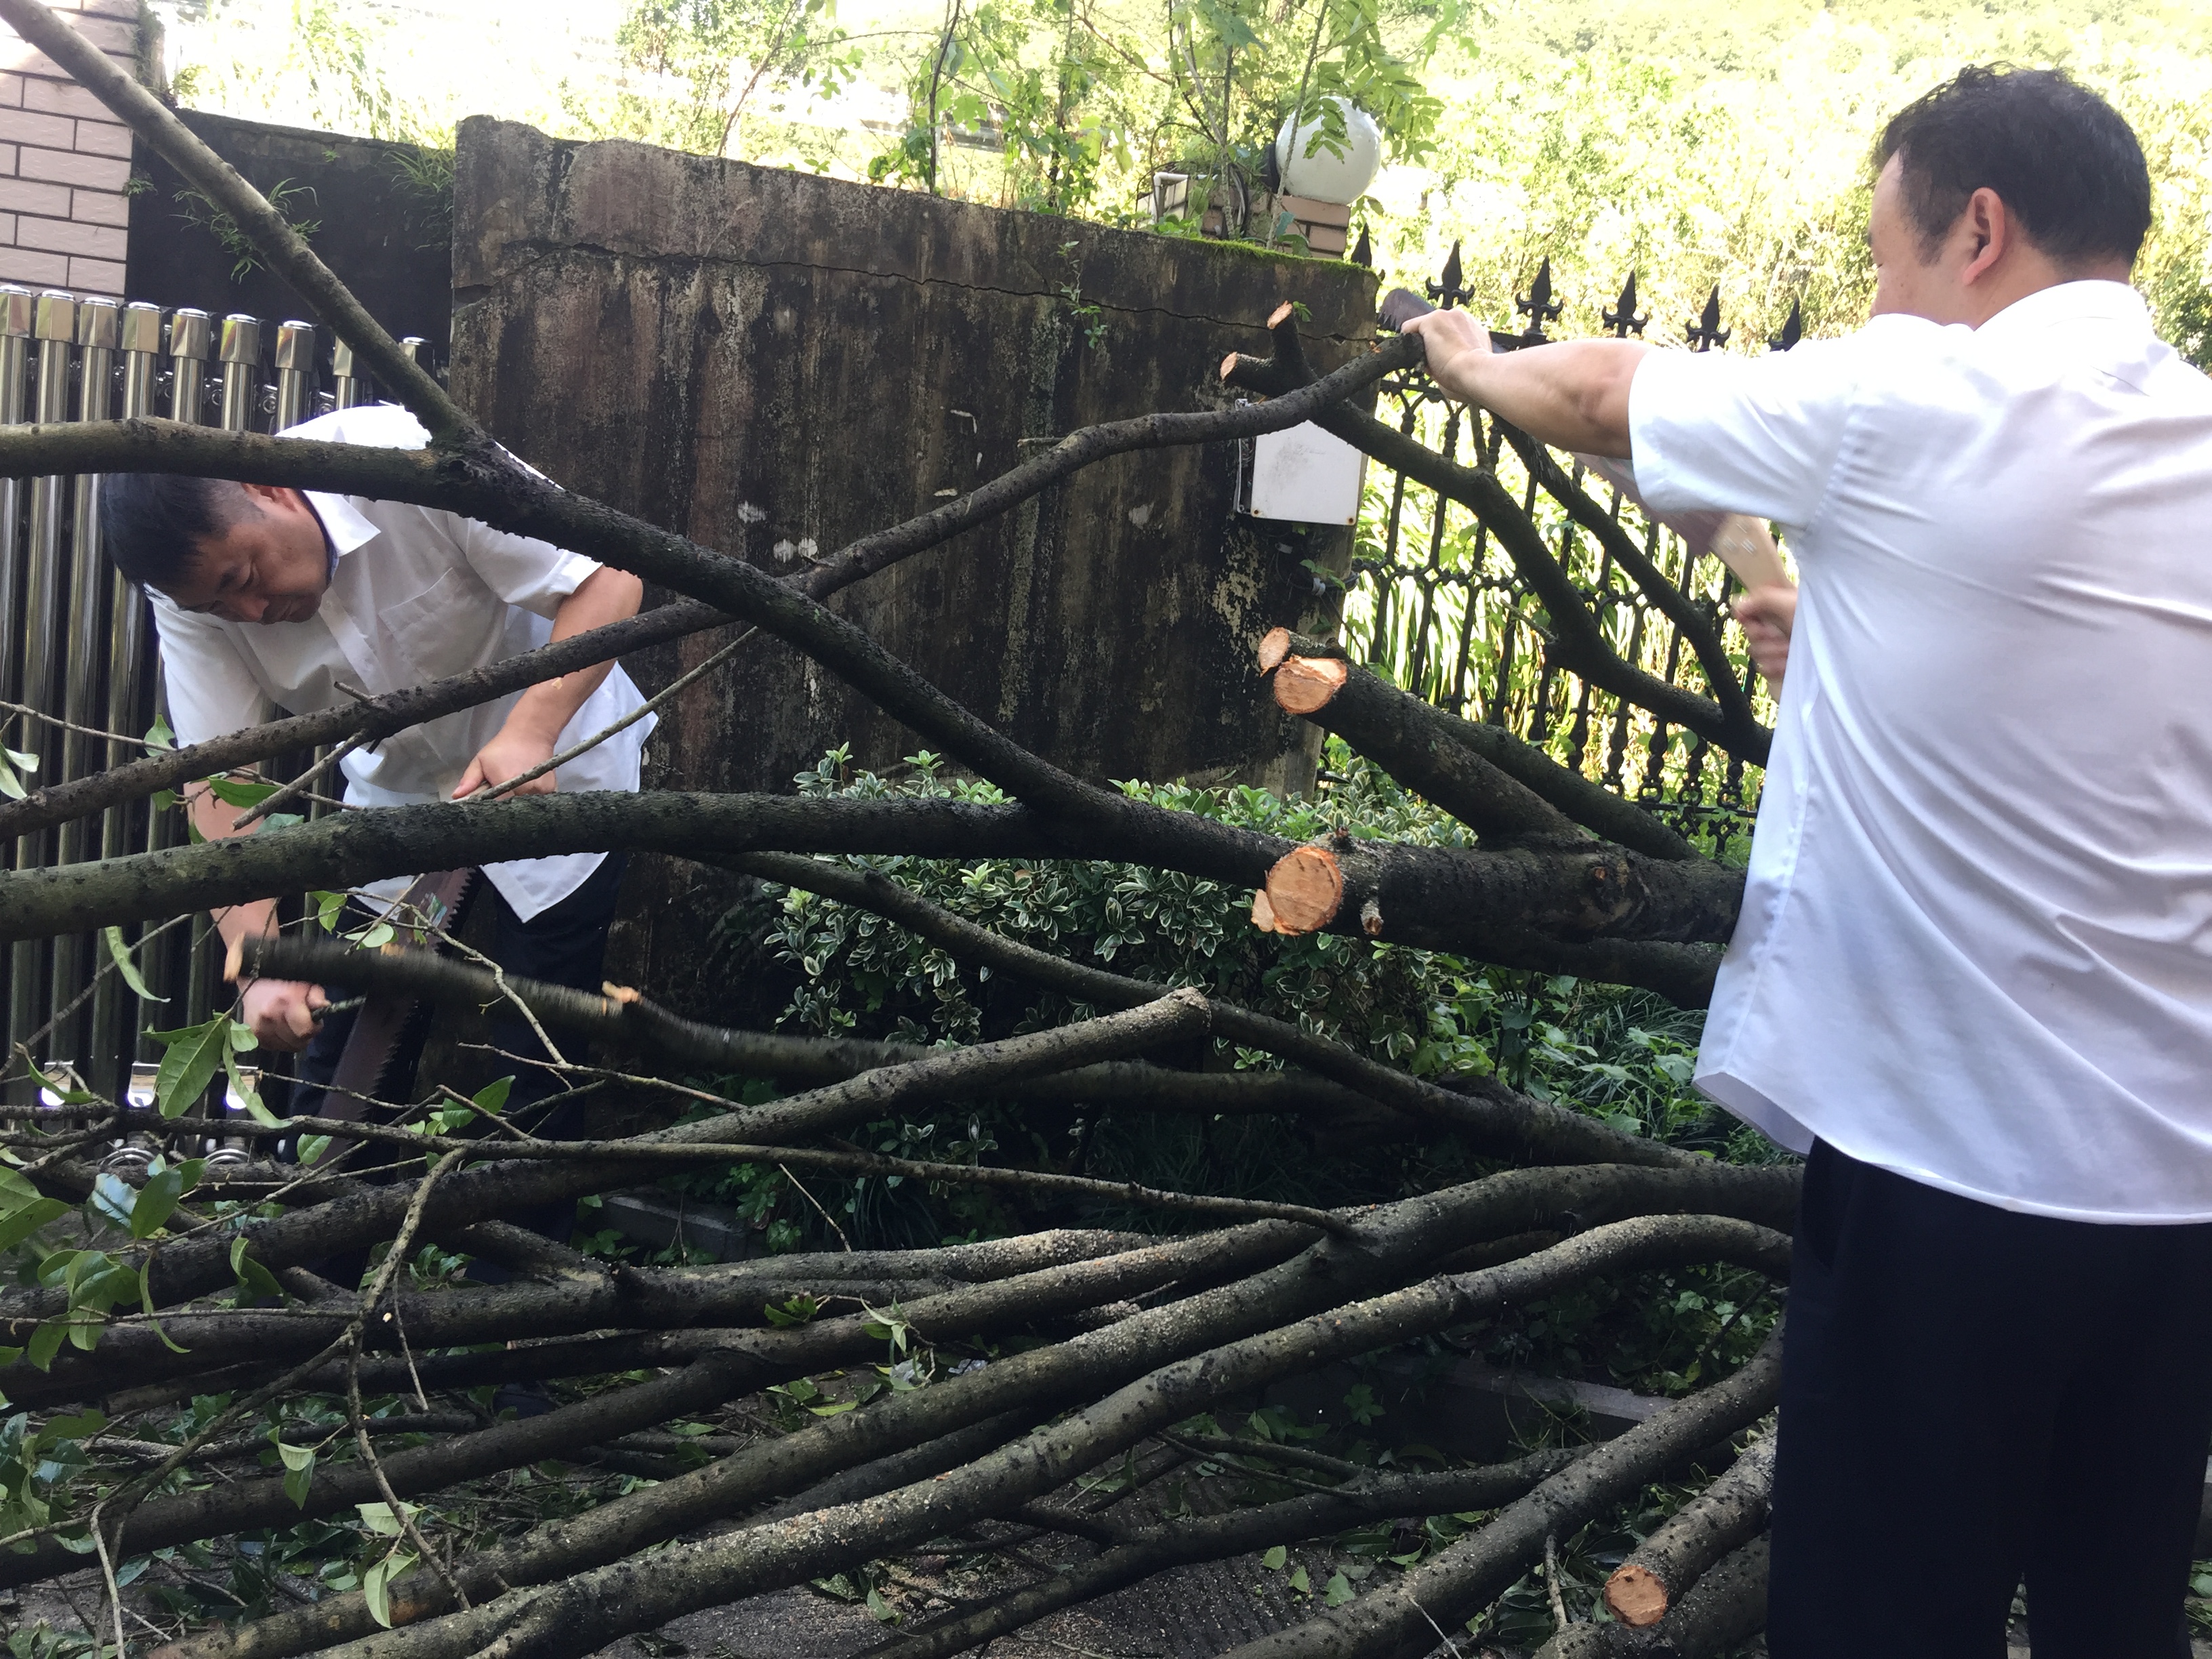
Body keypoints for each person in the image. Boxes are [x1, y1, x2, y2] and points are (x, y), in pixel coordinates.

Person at [1402, 66, 2212, 1658]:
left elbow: (1606, 396)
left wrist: (1477, 365)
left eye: (1886, 258)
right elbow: (2078, 700)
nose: (1876, 299)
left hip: (1951, 1182)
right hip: (2177, 1202)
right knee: (2115, 1615)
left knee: (1879, 1620)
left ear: (1979, 231)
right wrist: (1835, 621)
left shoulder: (1936, 397)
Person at [102, 401, 653, 1153]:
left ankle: (533, 1218)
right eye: (221, 607)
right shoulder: (193, 599)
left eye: (246, 577)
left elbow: (606, 579)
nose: (252, 611)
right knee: (347, 1071)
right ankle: (327, 1223)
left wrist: (531, 731)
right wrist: (260, 961)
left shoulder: (404, 458)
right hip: (394, 794)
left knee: (540, 1055)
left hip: (560, 761)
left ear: (267, 489)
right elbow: (217, 778)